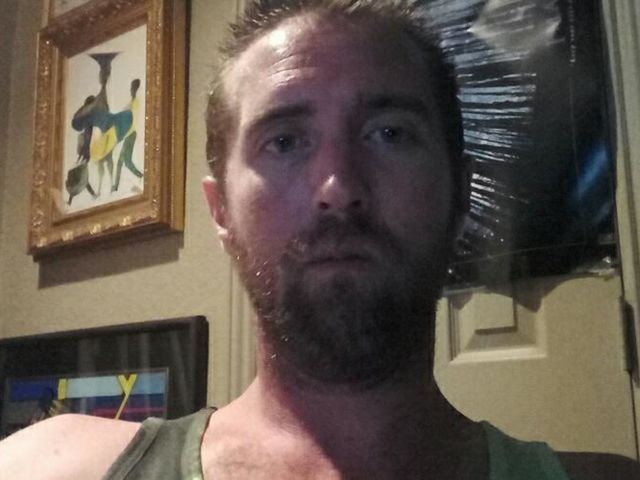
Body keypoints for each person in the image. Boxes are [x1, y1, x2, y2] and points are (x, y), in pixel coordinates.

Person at [1, 0, 639, 478]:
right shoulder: (49, 467)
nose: (338, 187)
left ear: (459, 191)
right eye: (284, 141)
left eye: (390, 134)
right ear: (221, 211)